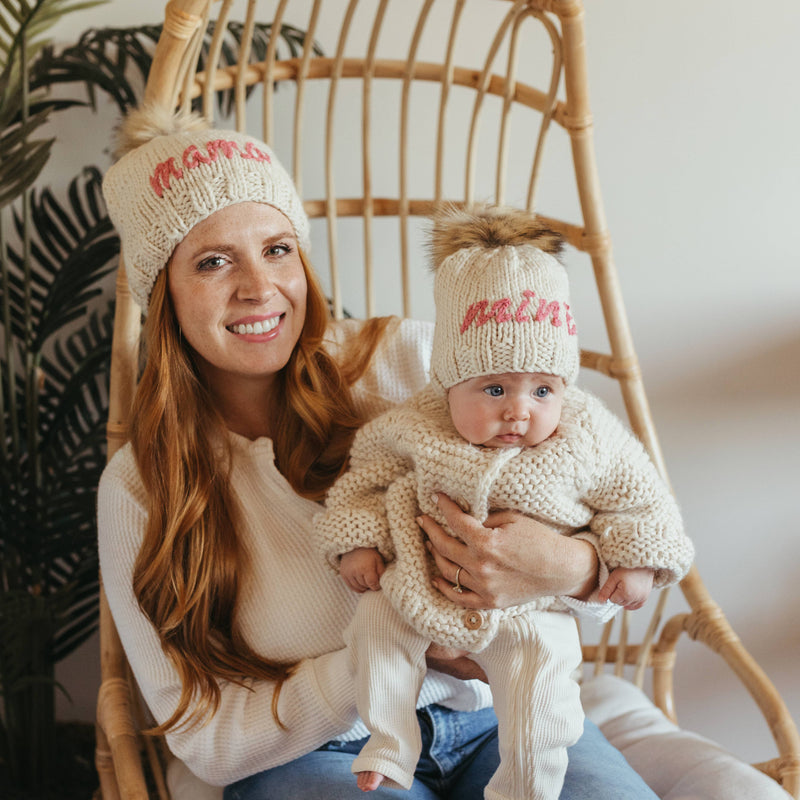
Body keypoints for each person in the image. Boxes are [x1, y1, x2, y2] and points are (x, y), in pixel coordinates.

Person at [97, 104, 664, 800]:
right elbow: (206, 740)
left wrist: (574, 568)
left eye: (277, 249)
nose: (258, 287)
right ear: (163, 294)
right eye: (214, 262)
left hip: (505, 719)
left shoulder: (416, 362)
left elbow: (599, 492)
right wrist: (397, 656)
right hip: (322, 753)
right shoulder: (140, 489)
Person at [316, 204, 694, 799]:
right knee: (375, 629)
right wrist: (357, 542)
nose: (519, 410)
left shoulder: (587, 433)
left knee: (542, 691)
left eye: (542, 388)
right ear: (449, 383)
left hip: (532, 610)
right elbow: (365, 479)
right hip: (417, 584)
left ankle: (527, 785)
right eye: (494, 389)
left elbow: (642, 501)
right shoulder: (416, 421)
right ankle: (390, 744)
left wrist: (634, 563)